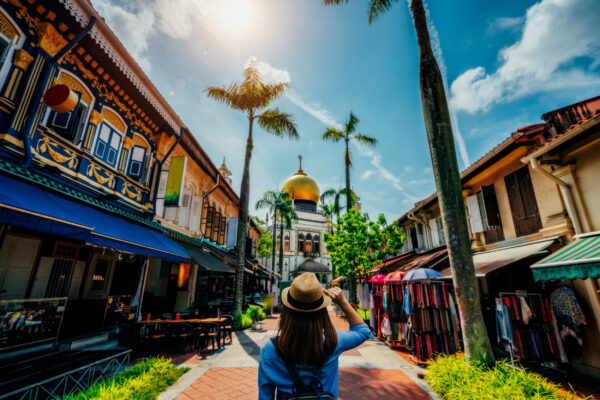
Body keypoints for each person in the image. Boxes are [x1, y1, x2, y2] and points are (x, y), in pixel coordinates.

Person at [258, 272, 373, 399]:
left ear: (287, 312)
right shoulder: (333, 343)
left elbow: (265, 397)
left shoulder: (270, 350)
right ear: (322, 313)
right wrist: (342, 301)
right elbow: (363, 331)